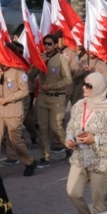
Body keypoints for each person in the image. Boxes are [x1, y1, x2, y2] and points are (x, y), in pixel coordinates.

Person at [64, 73, 107, 214]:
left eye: (88, 86)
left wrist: (94, 139)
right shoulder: (79, 105)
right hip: (80, 158)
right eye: (84, 84)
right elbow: (71, 126)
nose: (84, 87)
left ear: (97, 87)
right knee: (73, 192)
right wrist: (70, 138)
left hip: (101, 162)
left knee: (99, 204)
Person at [0, 44, 36, 175]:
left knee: (15, 141)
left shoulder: (19, 71)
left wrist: (8, 99)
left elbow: (24, 91)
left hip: (13, 111)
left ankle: (29, 161)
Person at [35, 34, 71, 167]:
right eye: (45, 43)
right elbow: (33, 74)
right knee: (43, 128)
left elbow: (68, 80)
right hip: (42, 98)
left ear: (56, 44)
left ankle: (69, 147)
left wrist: (50, 86)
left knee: (56, 127)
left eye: (49, 43)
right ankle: (45, 156)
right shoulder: (41, 57)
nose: (47, 46)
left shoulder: (61, 59)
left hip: (57, 97)